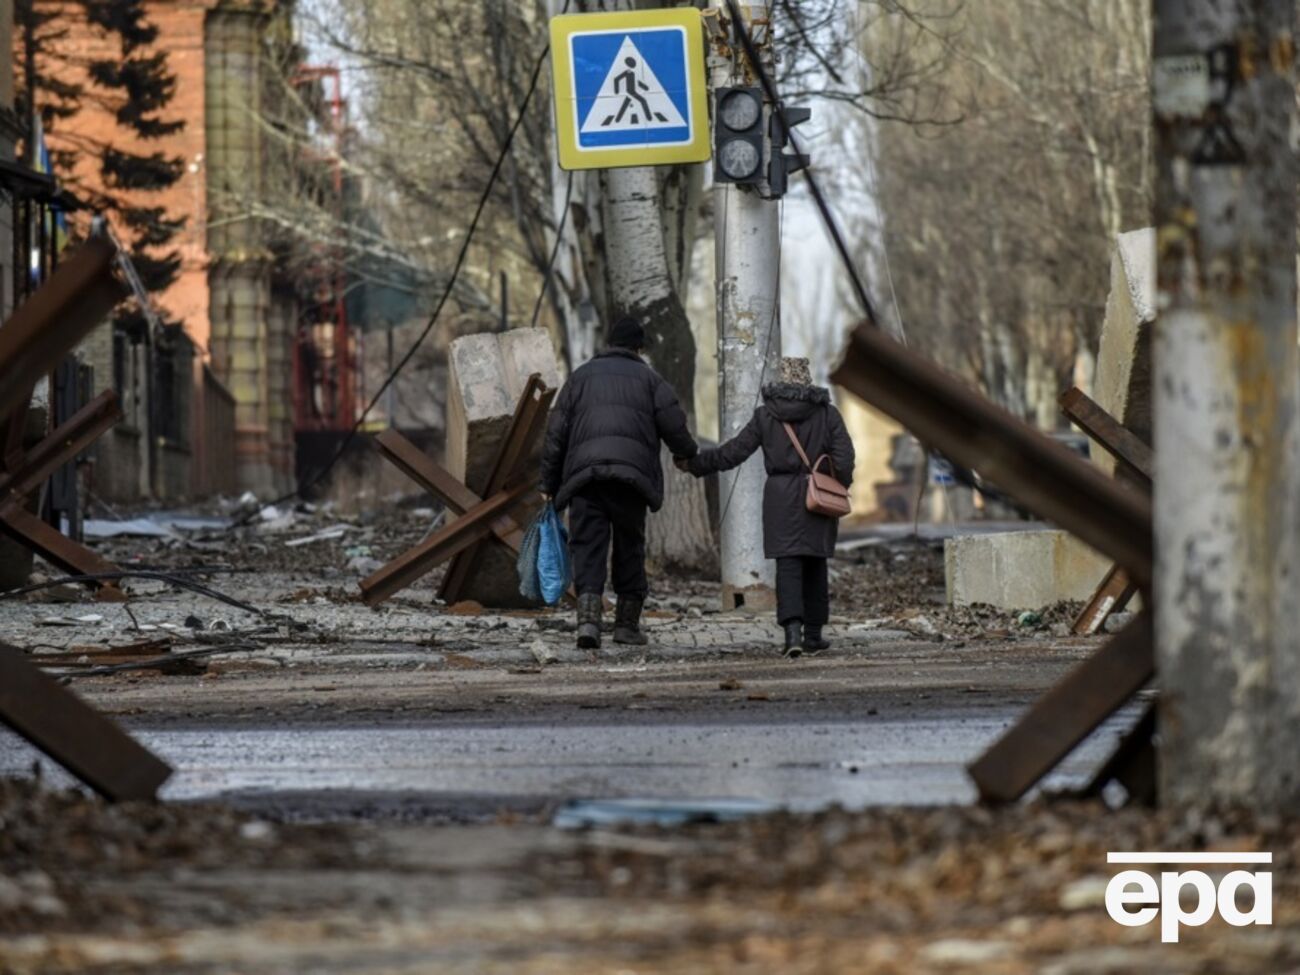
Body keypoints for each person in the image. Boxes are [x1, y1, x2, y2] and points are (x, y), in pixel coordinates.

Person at [540, 316, 698, 650]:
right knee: (630, 547)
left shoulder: (579, 378)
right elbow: (674, 424)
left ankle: (588, 624)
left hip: (585, 478)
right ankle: (626, 626)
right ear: (639, 348)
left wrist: (548, 483)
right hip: (631, 480)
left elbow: (555, 435)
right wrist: (687, 454)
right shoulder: (651, 380)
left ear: (609, 343)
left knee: (588, 548)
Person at [682, 357, 854, 657]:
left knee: (788, 565)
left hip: (780, 498)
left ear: (781, 381)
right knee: (815, 563)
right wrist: (838, 484)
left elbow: (732, 453)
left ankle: (792, 635)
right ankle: (814, 634)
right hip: (818, 494)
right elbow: (845, 459)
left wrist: (696, 464)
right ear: (807, 380)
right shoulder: (828, 414)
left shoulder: (766, 416)